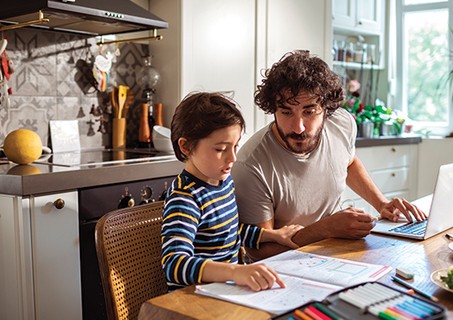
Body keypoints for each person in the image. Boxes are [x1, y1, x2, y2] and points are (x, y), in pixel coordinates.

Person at [231, 50, 427, 261]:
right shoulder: (251, 165)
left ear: (326, 108)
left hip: (335, 250)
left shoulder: (341, 123)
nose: (298, 127)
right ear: (273, 109)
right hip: (284, 266)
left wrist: (382, 204)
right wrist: (324, 229)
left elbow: (349, 162)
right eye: (286, 112)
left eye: (309, 111)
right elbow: (260, 252)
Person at [161, 92, 303, 292]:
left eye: (235, 146)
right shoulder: (185, 199)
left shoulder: (223, 183)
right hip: (194, 300)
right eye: (220, 149)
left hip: (226, 290)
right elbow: (174, 265)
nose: (233, 158)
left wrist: (271, 235)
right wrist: (235, 271)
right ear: (185, 147)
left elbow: (229, 232)